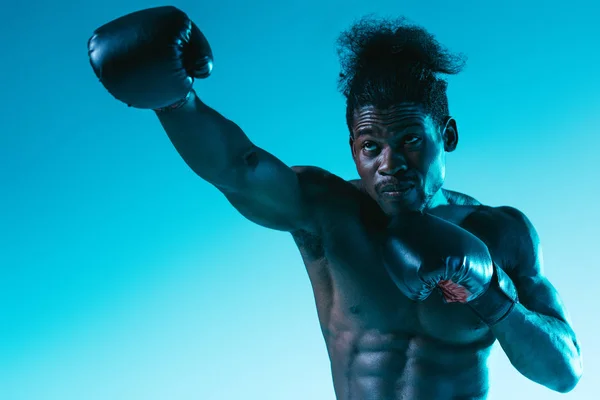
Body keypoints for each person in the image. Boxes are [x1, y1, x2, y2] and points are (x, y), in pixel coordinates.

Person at [88, 6, 583, 399]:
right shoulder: (326, 211)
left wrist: (491, 293)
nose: (390, 163)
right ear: (353, 149)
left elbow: (564, 372)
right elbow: (238, 168)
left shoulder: (500, 232)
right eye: (371, 146)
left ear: (447, 136)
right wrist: (175, 103)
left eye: (410, 139)